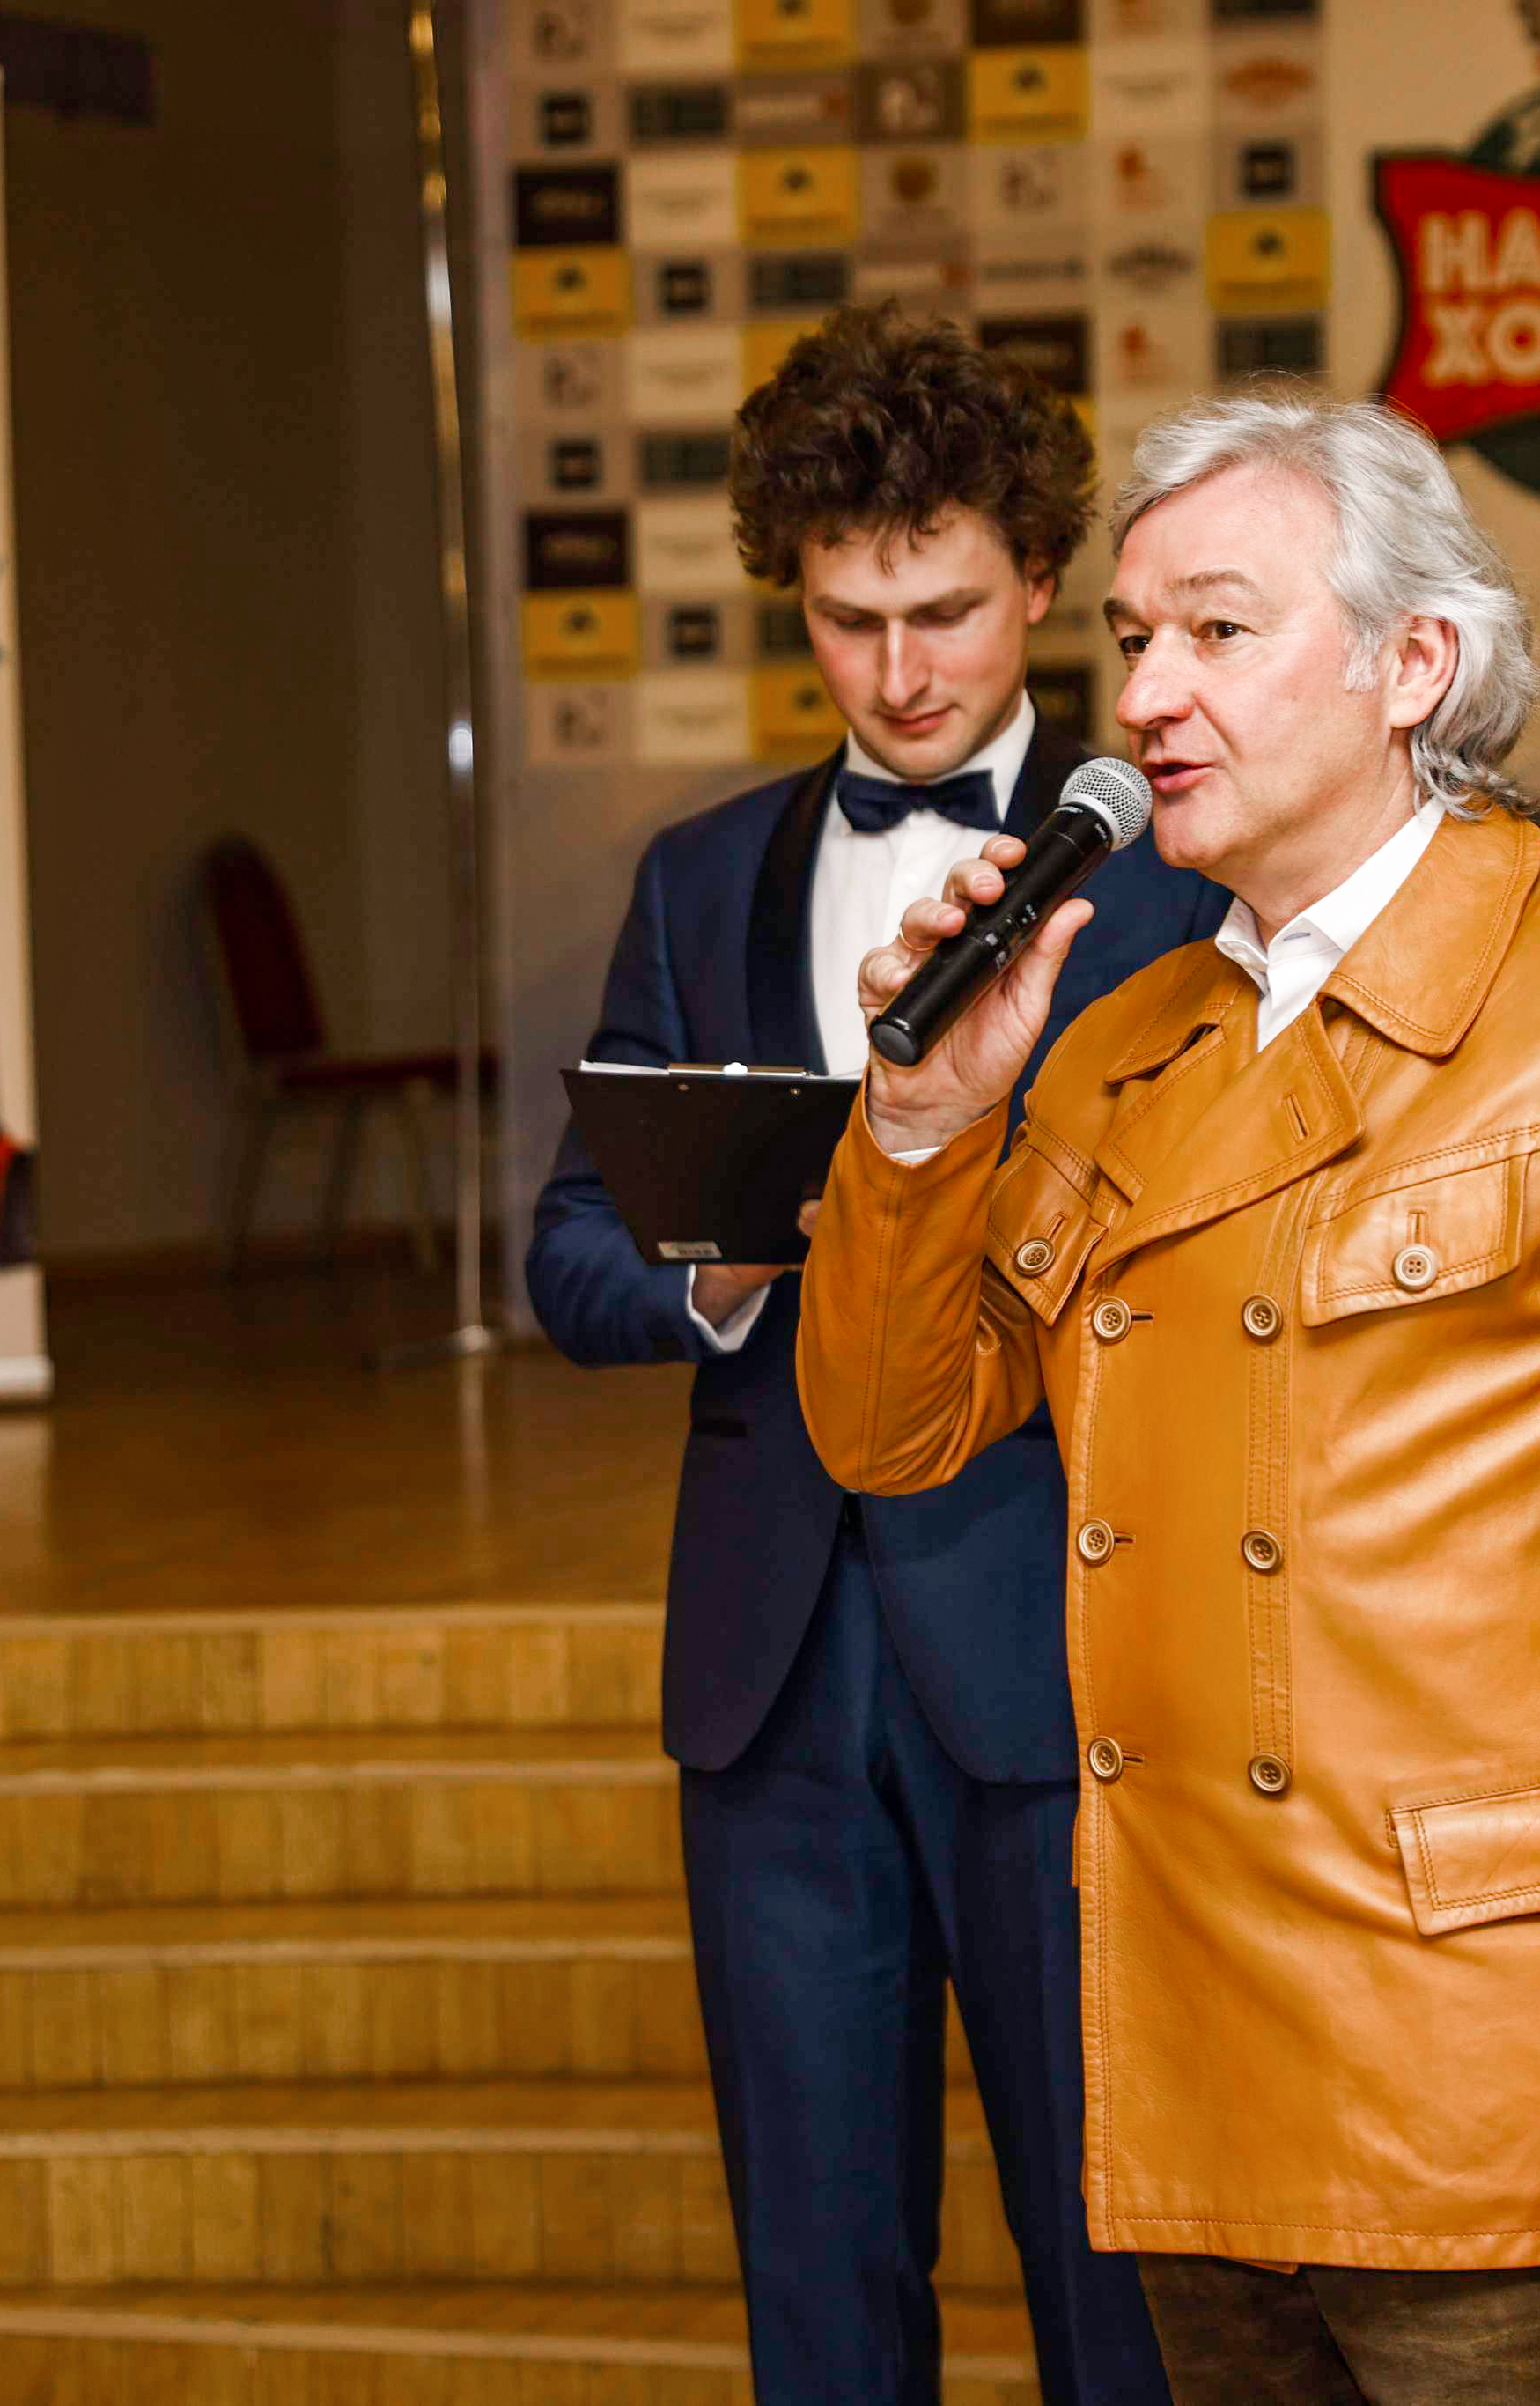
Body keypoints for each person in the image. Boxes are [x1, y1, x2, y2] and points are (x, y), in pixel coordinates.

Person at [793, 389, 1540, 2403]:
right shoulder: (1120, 1043)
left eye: (1218, 629)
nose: (1146, 695)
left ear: (1410, 663)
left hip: (1494, 2110)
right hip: (1196, 2081)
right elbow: (886, 1424)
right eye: (1132, 636)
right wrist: (922, 1124)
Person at [524, 304, 1225, 2406]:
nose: (899, 671)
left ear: (1041, 585)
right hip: (769, 1679)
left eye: (944, 613)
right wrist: (732, 1269)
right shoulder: (697, 878)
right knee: (817, 2303)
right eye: (847, 621)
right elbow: (566, 1256)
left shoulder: (1182, 875)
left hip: (1060, 1650)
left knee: (1118, 2285)